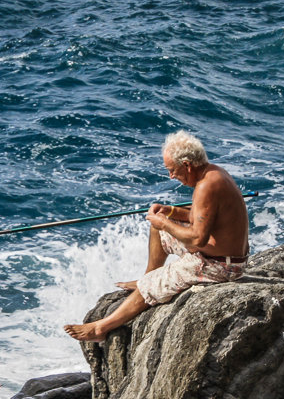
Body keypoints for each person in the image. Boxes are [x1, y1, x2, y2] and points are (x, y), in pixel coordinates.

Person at [64, 131, 249, 343]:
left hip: (220, 266)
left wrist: (165, 222)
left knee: (154, 279)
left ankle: (100, 329)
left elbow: (197, 239)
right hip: (220, 255)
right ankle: (147, 275)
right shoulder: (213, 173)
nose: (171, 176)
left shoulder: (207, 185)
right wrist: (170, 212)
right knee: (158, 229)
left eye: (172, 170)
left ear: (187, 165)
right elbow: (202, 218)